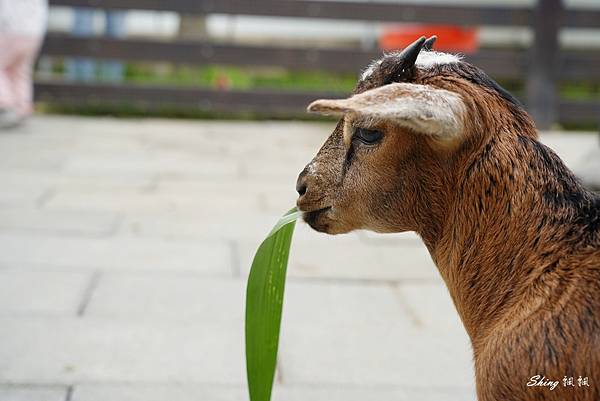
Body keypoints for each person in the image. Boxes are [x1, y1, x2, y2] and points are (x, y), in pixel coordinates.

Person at [0, 0, 48, 128]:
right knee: (21, 71)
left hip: (11, 31)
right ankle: (23, 107)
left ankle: (6, 103)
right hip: (34, 34)